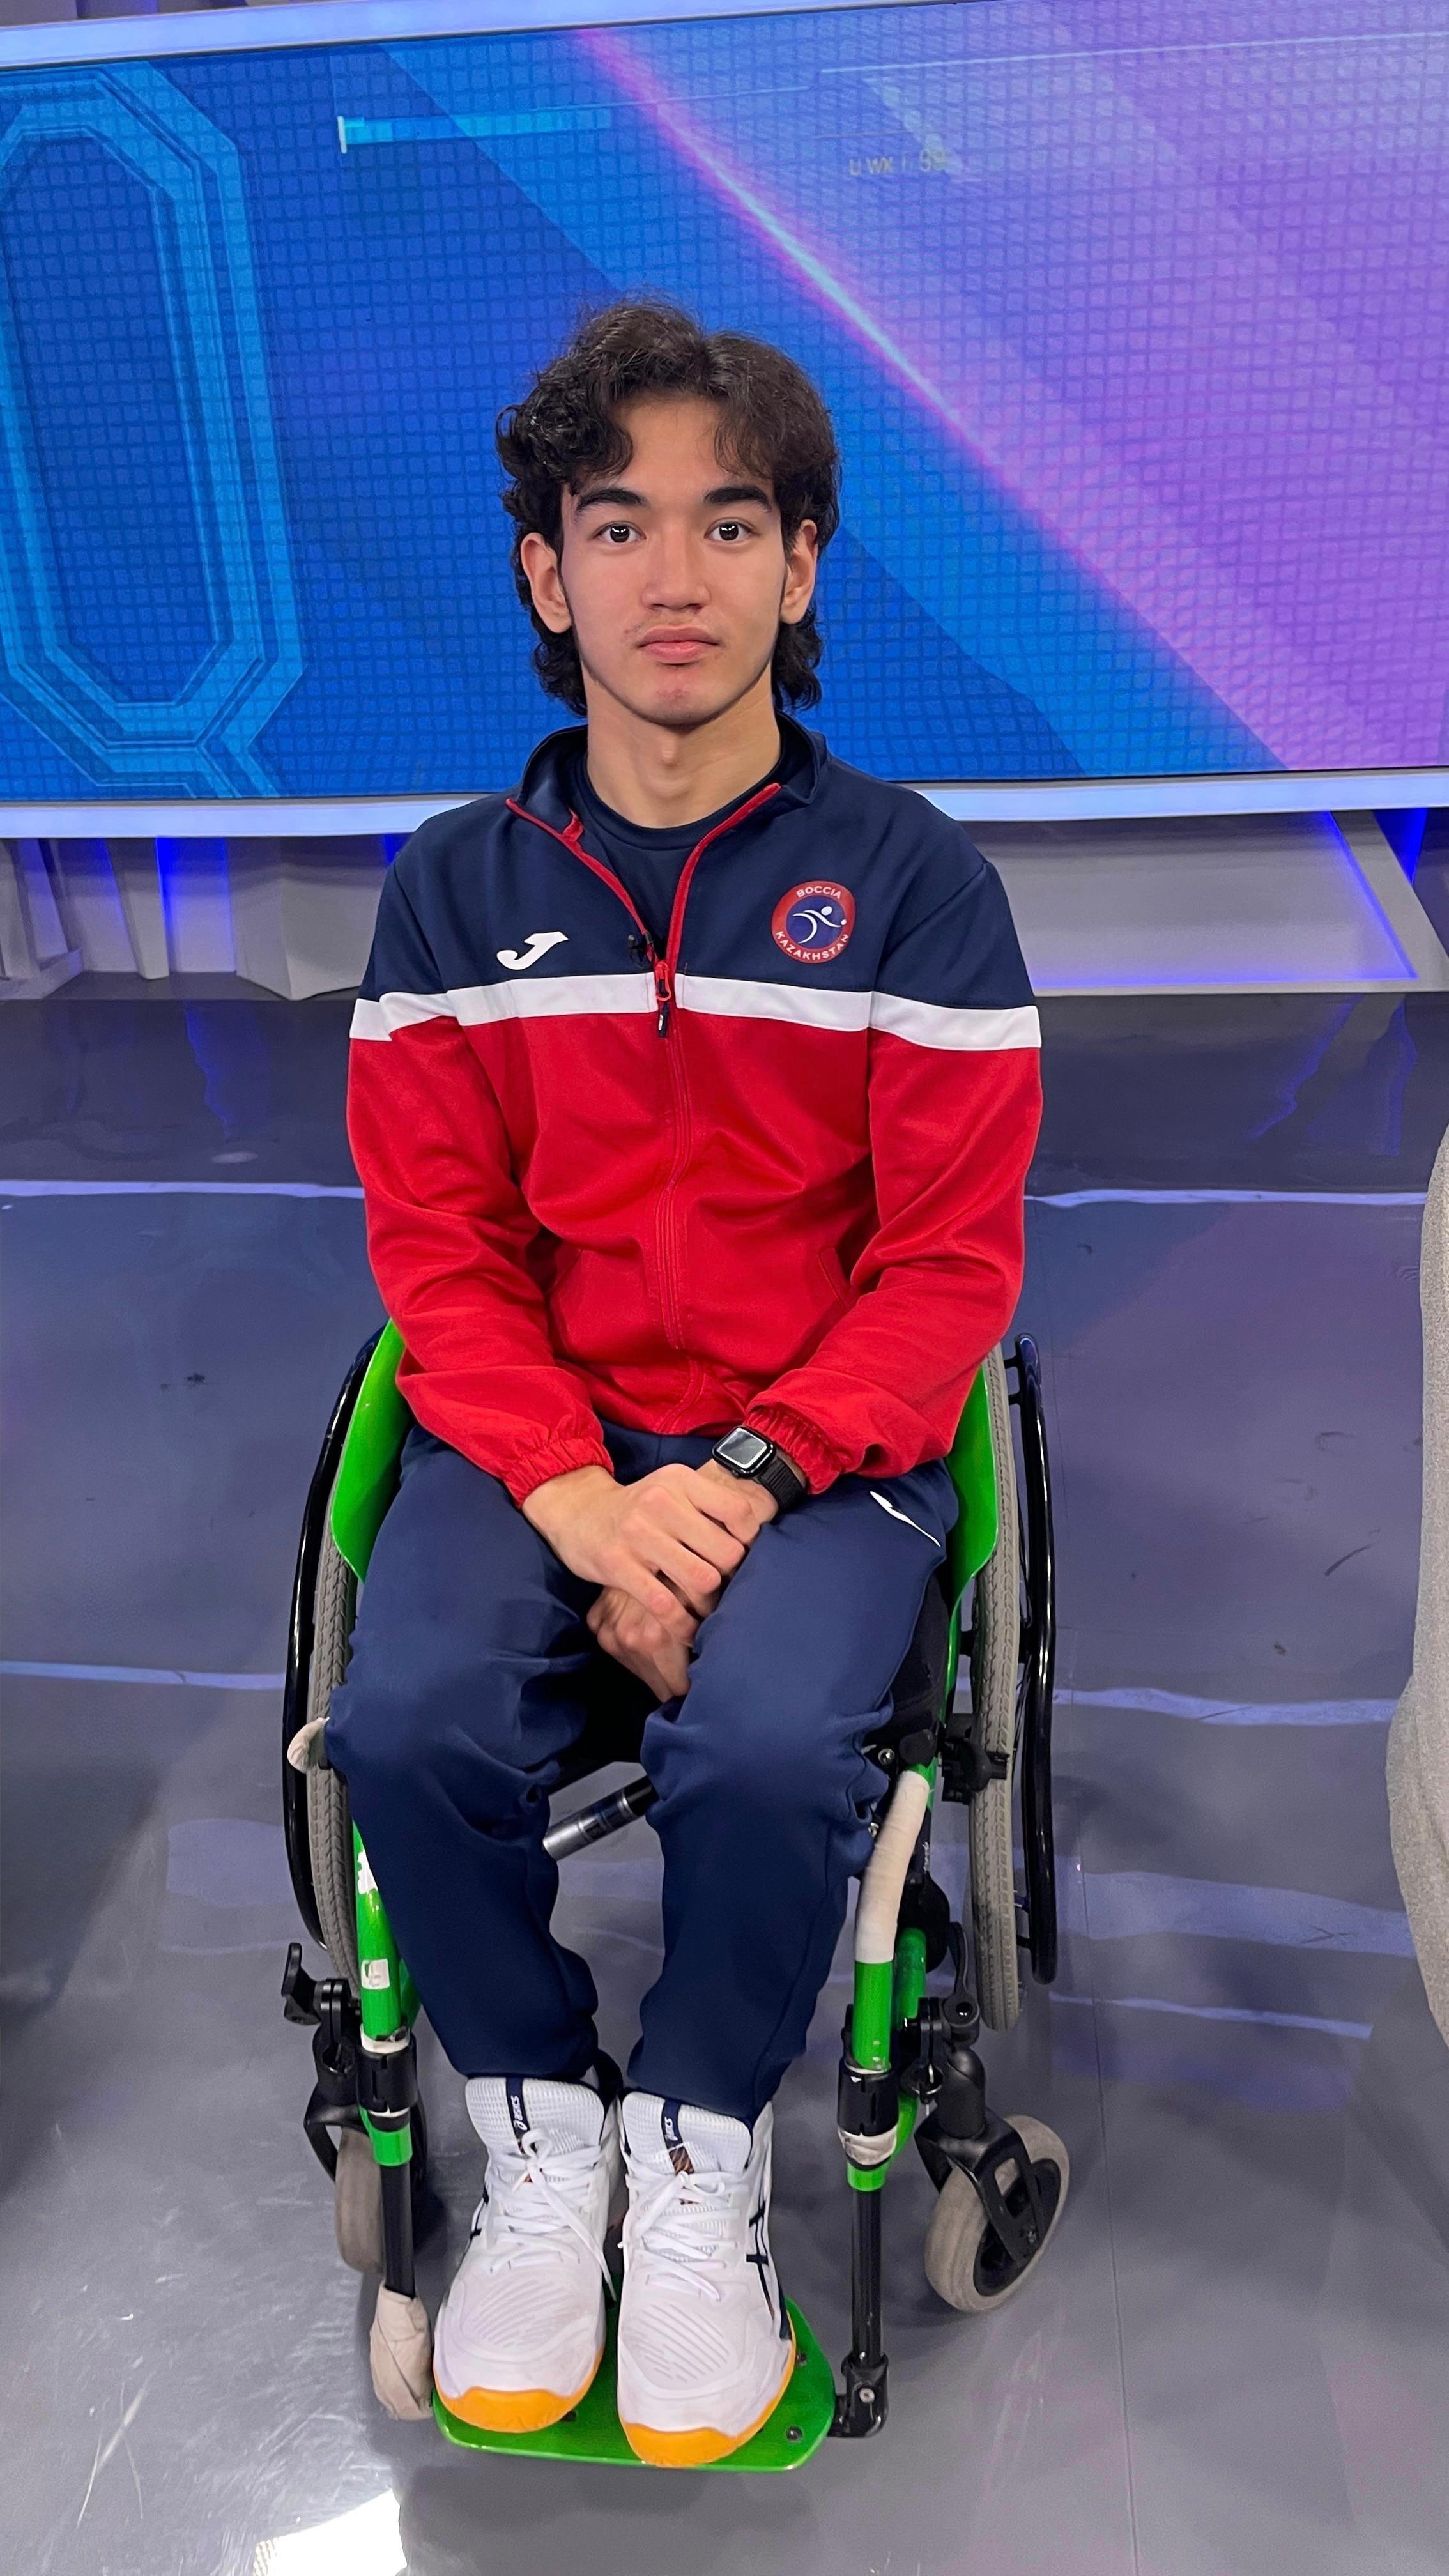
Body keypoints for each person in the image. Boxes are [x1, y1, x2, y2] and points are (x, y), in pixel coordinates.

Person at [326, 298, 1041, 2467]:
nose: (673, 575)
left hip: (825, 1449)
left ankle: (703, 2145)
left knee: (759, 1746)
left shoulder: (914, 888)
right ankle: (545, 2125)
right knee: (403, 1723)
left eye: (729, 524)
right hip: (537, 1436)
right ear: (546, 574)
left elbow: (946, 1269)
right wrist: (577, 1500)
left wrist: (725, 1487)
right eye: (615, 524)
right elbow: (439, 1255)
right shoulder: (452, 893)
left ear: (799, 566)